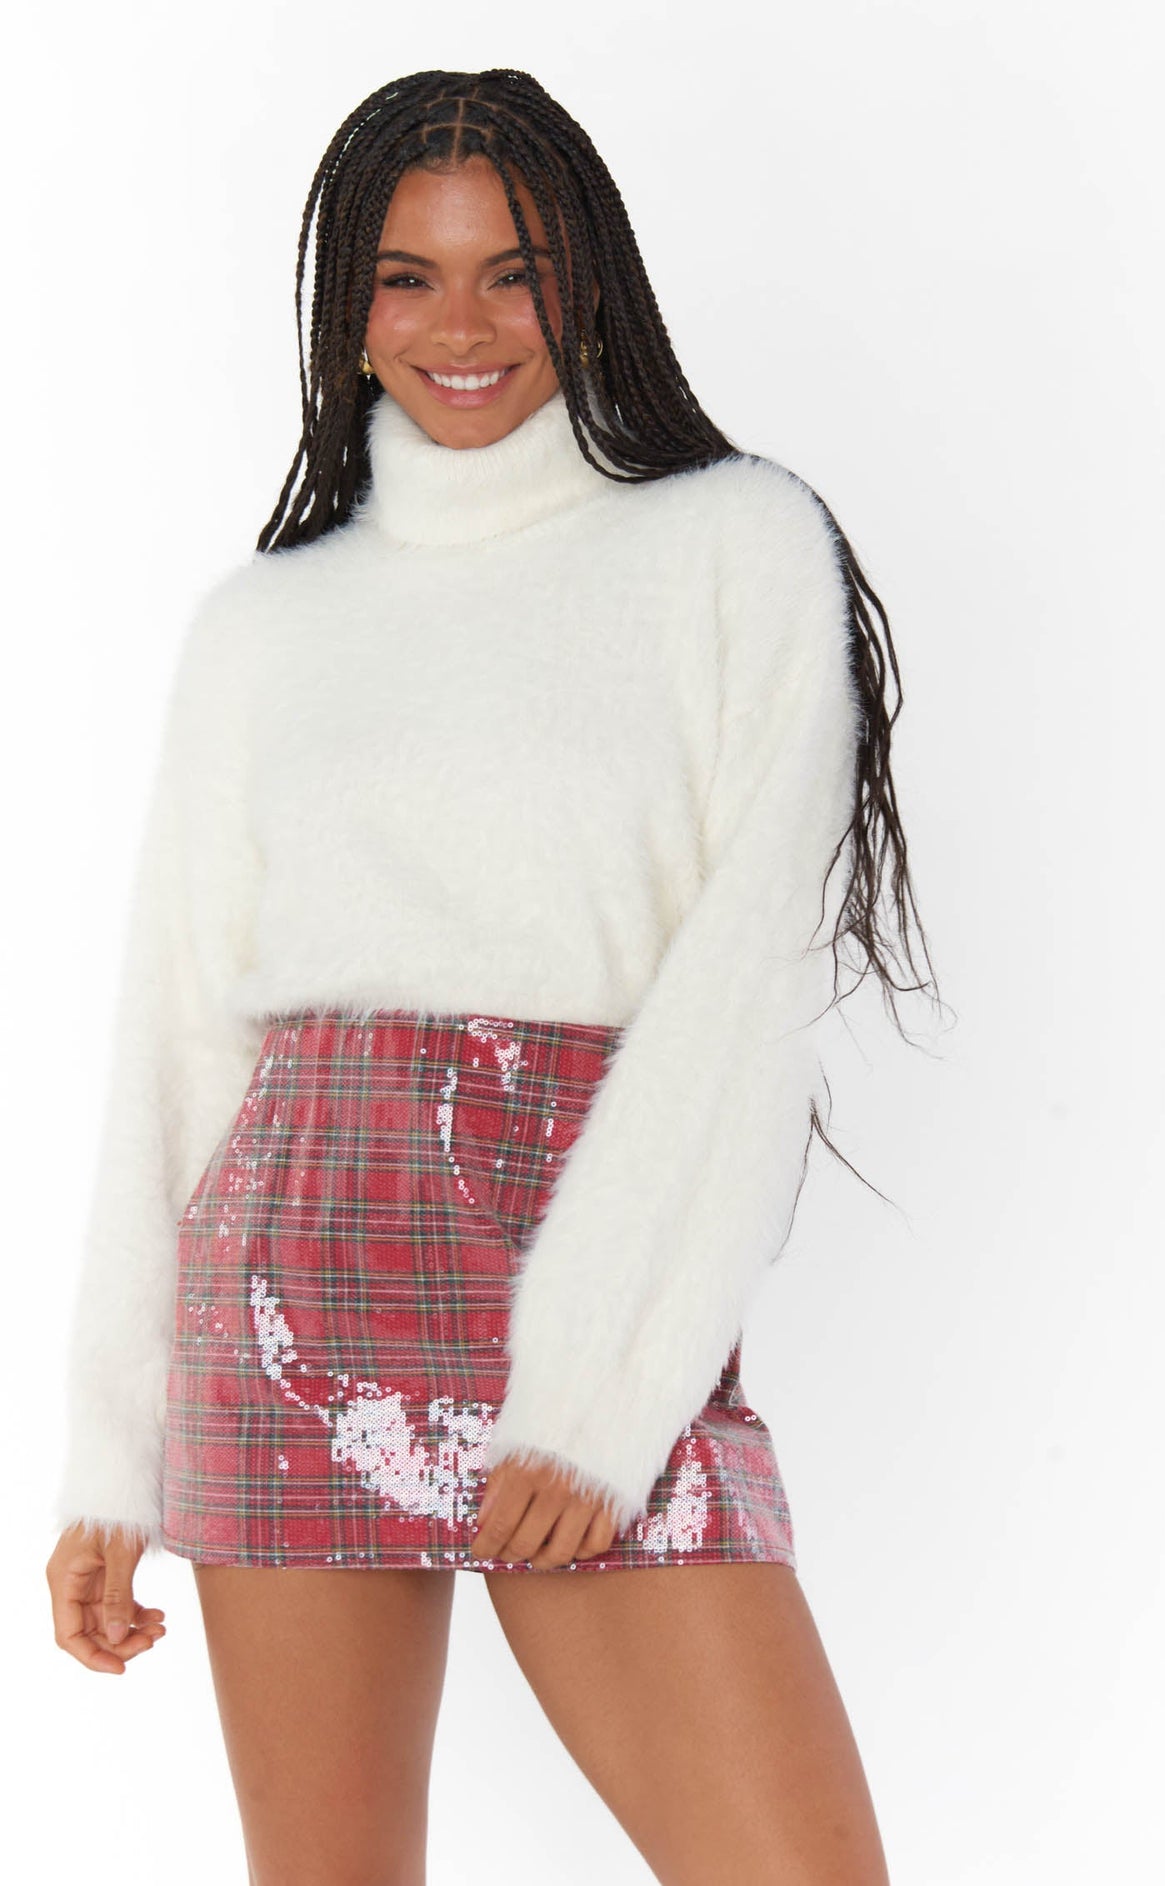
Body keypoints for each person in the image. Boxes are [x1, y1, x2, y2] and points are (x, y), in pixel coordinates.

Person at [46, 67, 937, 1885]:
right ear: (349, 309)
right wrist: (108, 1457)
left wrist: (599, 1392)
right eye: (408, 277)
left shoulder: (733, 547)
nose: (462, 327)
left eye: (513, 272)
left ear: (588, 281)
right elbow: (178, 1044)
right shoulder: (266, 629)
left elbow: (743, 995)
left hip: (588, 1281)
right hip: (289, 1298)